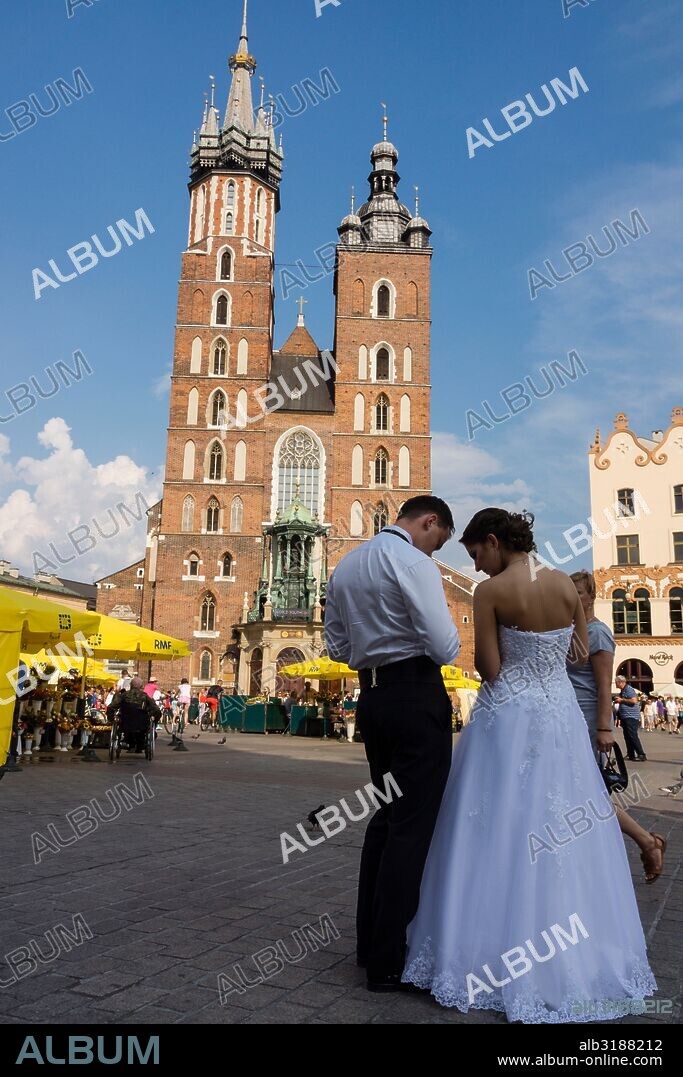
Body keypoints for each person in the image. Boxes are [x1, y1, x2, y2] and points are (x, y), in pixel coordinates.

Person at [402, 508, 656, 1022]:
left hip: (509, 715)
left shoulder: (492, 593)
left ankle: (484, 949)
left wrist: (520, 662)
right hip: (559, 712)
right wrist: (549, 659)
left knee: (493, 823)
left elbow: (490, 671)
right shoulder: (565, 584)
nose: (477, 568)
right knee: (565, 816)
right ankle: (574, 952)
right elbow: (581, 651)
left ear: (494, 542)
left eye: (477, 555)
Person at [324, 495, 460, 992]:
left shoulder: (346, 565)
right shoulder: (413, 562)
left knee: (384, 819)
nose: (436, 547)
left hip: (372, 700)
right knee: (411, 826)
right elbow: (445, 645)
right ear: (429, 523)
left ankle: (369, 946)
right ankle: (388, 958)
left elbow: (335, 645)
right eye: (439, 539)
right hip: (415, 693)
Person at [568, 570, 666, 883]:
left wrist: (604, 729)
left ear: (591, 596)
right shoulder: (572, 630)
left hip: (587, 719)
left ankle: (647, 841)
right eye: (568, 592)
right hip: (568, 718)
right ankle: (641, 843)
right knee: (581, 792)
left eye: (578, 592)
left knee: (590, 794)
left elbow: (602, 684)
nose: (573, 597)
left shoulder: (598, 632)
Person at [107, 676, 160, 753]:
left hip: (125, 723)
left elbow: (111, 707)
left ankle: (129, 742)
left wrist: (111, 718)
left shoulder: (123, 695)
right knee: (144, 725)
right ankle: (140, 745)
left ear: (131, 685)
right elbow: (157, 710)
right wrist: (154, 719)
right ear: (141, 686)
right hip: (142, 724)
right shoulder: (145, 696)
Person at [614, 675, 647, 761]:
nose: (615, 684)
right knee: (627, 736)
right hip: (625, 716)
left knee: (632, 735)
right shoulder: (623, 690)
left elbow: (634, 701)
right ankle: (631, 754)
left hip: (631, 716)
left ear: (620, 682)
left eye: (616, 682)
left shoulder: (629, 689)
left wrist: (621, 700)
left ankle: (641, 754)